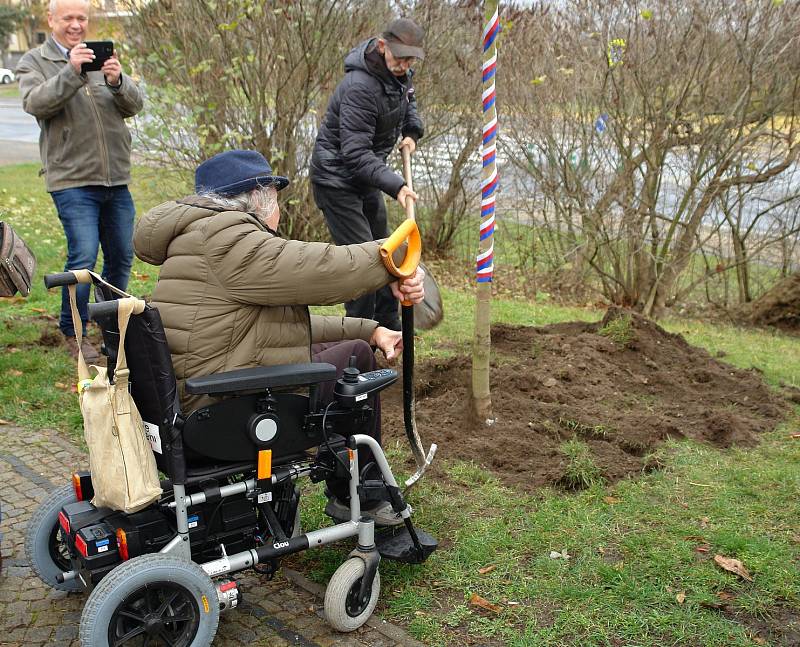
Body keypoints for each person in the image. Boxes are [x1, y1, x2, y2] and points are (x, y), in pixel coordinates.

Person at [133, 150, 425, 526]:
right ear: (259, 197)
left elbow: (283, 329)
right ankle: (361, 496)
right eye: (276, 201)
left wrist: (370, 330)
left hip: (197, 392)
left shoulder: (196, 237)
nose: (280, 213)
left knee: (347, 347)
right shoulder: (231, 238)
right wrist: (394, 257)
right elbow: (321, 271)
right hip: (222, 411)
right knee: (355, 360)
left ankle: (353, 485)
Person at [16, 0, 143, 363]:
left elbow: (134, 105)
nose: (76, 24)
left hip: (115, 178)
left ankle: (112, 329)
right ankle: (73, 331)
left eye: (81, 17)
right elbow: (35, 102)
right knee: (83, 258)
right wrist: (72, 72)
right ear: (51, 20)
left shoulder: (102, 59)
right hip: (71, 180)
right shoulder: (34, 62)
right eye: (68, 17)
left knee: (120, 255)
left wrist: (119, 81)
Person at [311, 17, 425, 332]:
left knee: (386, 253)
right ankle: (358, 342)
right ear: (382, 46)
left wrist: (411, 132)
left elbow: (408, 103)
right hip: (336, 180)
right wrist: (397, 185)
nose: (404, 64)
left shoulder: (399, 76)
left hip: (365, 178)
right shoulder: (360, 87)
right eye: (399, 57)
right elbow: (355, 152)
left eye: (409, 59)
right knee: (362, 266)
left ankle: (391, 333)